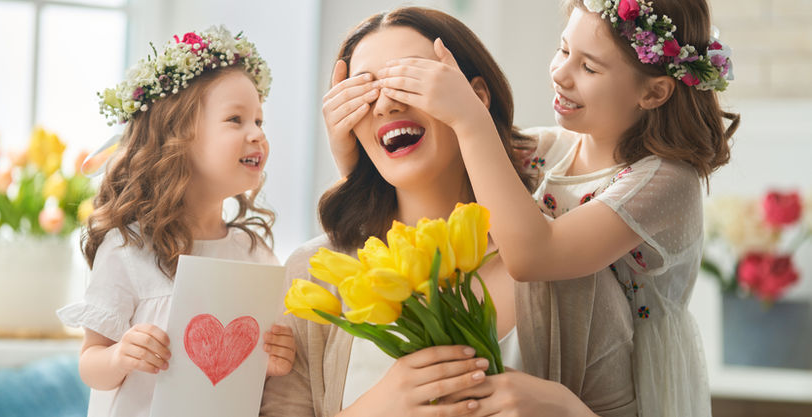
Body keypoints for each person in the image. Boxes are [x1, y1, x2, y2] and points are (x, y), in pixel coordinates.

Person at [261, 7, 637, 417]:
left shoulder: (570, 272)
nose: (385, 104)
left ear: (475, 98)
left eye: (411, 80)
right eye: (364, 91)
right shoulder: (315, 273)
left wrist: (565, 409)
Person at [373, 0, 739, 415]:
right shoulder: (546, 149)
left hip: (628, 381)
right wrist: (350, 149)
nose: (560, 73)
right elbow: (442, 166)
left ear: (653, 91)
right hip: (555, 354)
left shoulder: (665, 180)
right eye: (564, 50)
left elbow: (533, 256)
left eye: (589, 68)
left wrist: (469, 117)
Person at [57, 26, 296, 417]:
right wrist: (120, 356)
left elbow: (244, 375)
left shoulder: (254, 254)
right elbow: (91, 364)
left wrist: (271, 363)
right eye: (236, 119)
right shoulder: (128, 249)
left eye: (260, 121)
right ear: (177, 138)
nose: (257, 134)